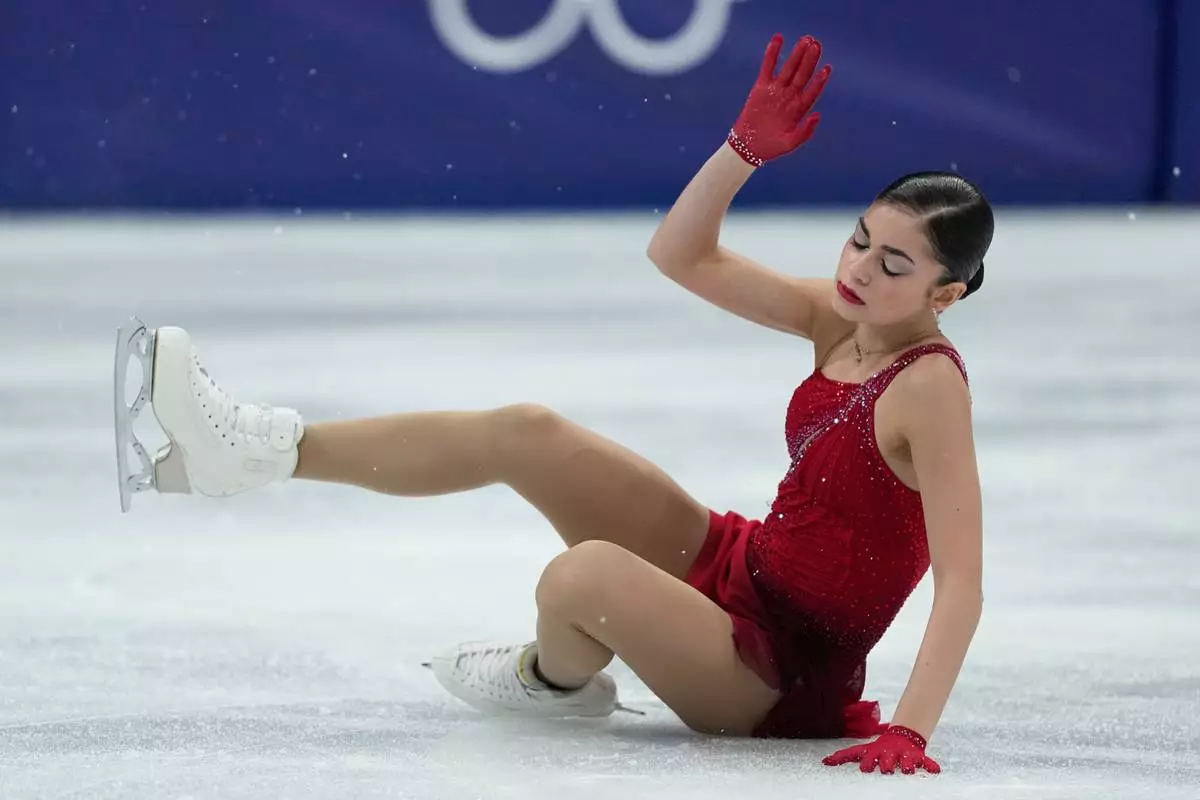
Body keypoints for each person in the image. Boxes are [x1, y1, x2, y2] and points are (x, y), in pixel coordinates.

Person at [116, 33, 989, 776]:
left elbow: (961, 582)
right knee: (527, 432)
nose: (858, 270)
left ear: (944, 295)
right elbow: (680, 256)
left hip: (778, 674)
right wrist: (742, 152)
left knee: (585, 575)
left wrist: (910, 729)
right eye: (859, 240)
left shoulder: (928, 388)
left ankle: (550, 680)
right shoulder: (840, 317)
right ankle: (255, 451)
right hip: (745, 569)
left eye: (893, 265)